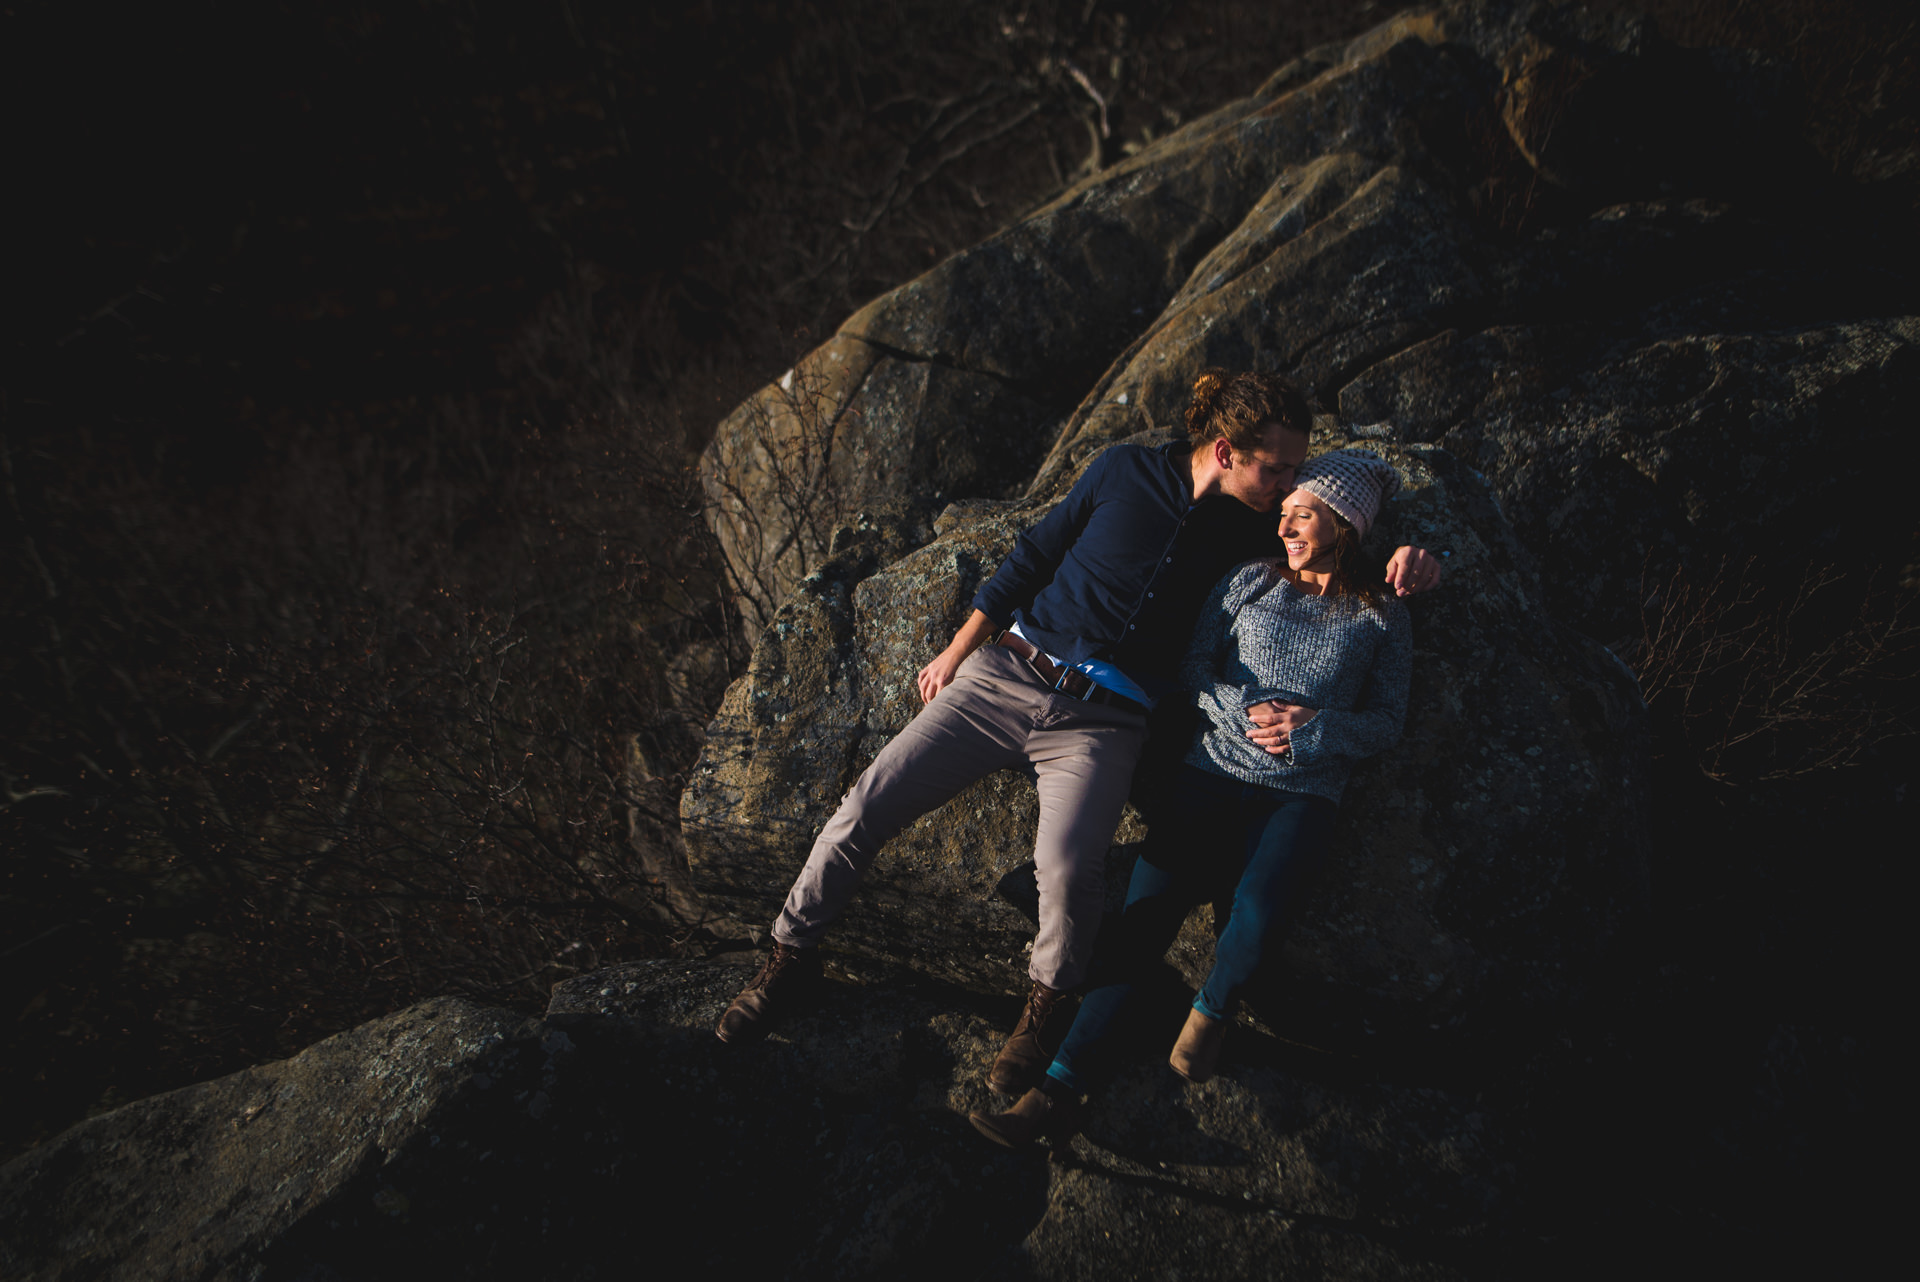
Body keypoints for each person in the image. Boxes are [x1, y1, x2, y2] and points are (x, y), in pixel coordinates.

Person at [715, 370, 1440, 1100]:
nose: (1289, 484)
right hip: (1008, 676)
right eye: (1275, 467)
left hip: (1106, 721)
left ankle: (1042, 1015)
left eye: (1295, 474)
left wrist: (1413, 553)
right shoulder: (1123, 469)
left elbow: (1351, 514)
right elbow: (1036, 551)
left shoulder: (1261, 532)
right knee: (865, 806)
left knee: (1067, 870)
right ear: (1224, 450)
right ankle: (788, 955)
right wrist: (961, 646)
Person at [968, 448, 1413, 1145]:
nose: (1287, 525)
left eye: (1304, 514)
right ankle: (1055, 1095)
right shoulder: (1248, 582)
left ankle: (1211, 1009)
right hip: (1208, 773)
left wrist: (1315, 727)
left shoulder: (1381, 615)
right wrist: (1242, 709)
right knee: (1141, 928)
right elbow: (1192, 667)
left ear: (1345, 524)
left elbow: (1389, 721)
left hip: (1301, 794)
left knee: (1260, 914)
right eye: (1285, 511)